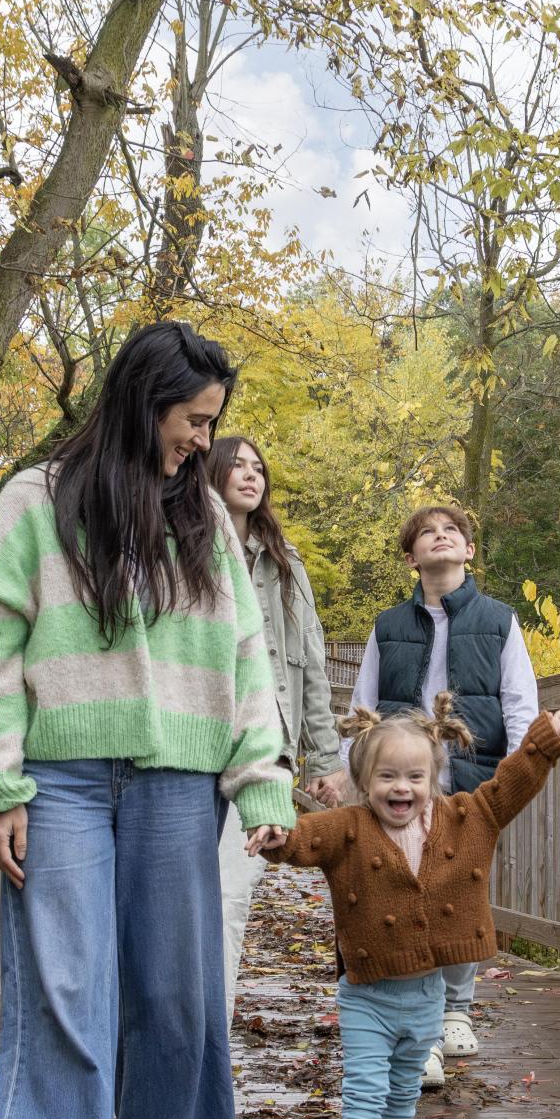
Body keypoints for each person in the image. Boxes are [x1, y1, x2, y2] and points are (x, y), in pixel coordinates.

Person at [0, 321, 295, 1119]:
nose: (202, 441)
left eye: (212, 425)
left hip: (180, 779)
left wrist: (262, 779)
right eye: (193, 421)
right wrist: (1, 783)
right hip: (59, 779)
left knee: (179, 985)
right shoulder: (37, 500)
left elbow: (246, 654)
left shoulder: (207, 524)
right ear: (147, 402)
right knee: (65, 988)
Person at [265, 693, 560, 1119]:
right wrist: (274, 835)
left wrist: (542, 742)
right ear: (363, 782)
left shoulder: (465, 818)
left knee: (405, 1091)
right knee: (365, 1087)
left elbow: (510, 786)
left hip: (428, 997)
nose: (400, 788)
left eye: (414, 776)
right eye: (386, 777)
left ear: (433, 778)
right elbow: (302, 840)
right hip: (368, 995)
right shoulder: (349, 827)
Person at [337, 504, 539, 1089]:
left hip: (470, 772)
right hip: (401, 777)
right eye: (427, 533)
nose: (441, 537)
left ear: (469, 551)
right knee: (401, 886)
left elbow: (520, 702)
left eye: (452, 531)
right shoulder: (388, 625)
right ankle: (421, 1029)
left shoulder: (500, 621)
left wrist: (519, 770)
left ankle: (455, 1009)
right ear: (412, 557)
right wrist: (351, 773)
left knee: (458, 887)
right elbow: (362, 705)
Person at [207, 433, 341, 1015]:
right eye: (236, 464)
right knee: (183, 897)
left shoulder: (287, 567)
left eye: (258, 467)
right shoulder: (185, 550)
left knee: (230, 894)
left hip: (263, 751)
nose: (250, 474)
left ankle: (214, 1023)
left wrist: (326, 759)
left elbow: (311, 662)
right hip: (189, 745)